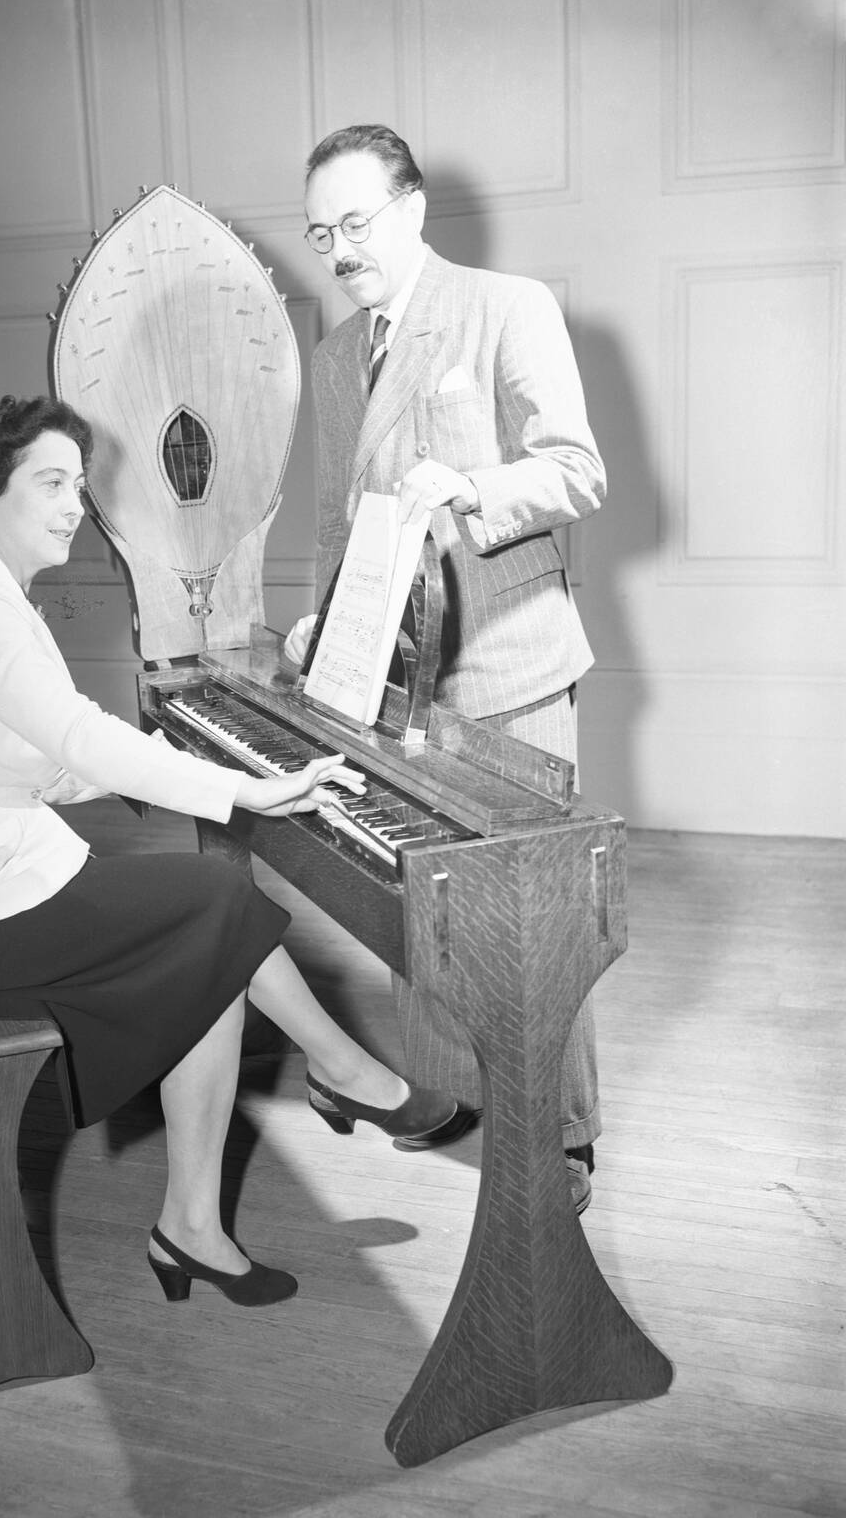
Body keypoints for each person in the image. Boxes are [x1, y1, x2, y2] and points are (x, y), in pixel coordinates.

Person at [0, 394, 470, 1308]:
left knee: (204, 942)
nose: (76, 505)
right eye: (52, 484)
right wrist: (246, 785)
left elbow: (46, 763)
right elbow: (76, 736)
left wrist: (200, 757)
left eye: (79, 485)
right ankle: (344, 1072)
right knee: (211, 902)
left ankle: (195, 1224)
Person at [286, 125, 605, 1211]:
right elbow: (339, 531)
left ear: (414, 207)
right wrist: (320, 631)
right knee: (416, 901)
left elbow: (574, 472)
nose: (338, 249)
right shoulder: (335, 358)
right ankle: (445, 1090)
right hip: (401, 681)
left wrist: (470, 489)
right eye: (322, 233)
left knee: (540, 917)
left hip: (514, 663)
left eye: (356, 222)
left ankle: (561, 1137)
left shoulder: (507, 307)